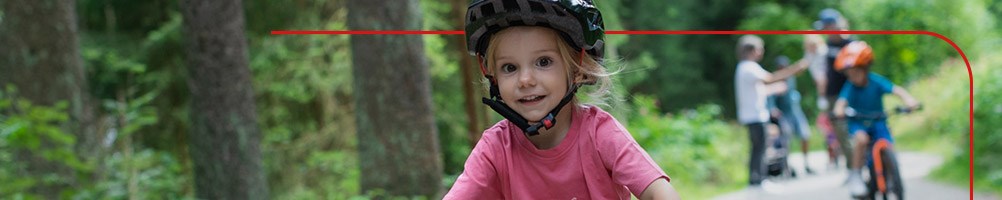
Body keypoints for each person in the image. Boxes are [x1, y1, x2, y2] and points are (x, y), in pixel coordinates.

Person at [445, 0, 680, 199]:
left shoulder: (600, 134)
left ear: (577, 68)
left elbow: (658, 192)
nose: (525, 80)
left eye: (543, 62)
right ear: (492, 76)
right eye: (509, 67)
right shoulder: (495, 148)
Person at [832, 41, 920, 197]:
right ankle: (856, 175)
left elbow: (896, 90)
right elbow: (841, 102)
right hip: (858, 123)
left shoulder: (876, 81)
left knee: (888, 142)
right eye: (849, 73)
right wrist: (839, 110)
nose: (852, 76)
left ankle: (892, 173)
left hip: (878, 121)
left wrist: (909, 101)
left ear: (865, 69)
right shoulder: (850, 87)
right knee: (861, 140)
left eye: (855, 72)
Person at [733, 35, 812, 189]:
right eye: (759, 49)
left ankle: (755, 179)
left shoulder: (744, 67)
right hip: (755, 115)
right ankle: (759, 180)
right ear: (752, 50)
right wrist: (794, 69)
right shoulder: (749, 67)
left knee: (758, 147)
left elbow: (759, 90)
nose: (761, 52)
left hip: (751, 115)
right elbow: (770, 78)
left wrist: (774, 89)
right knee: (760, 147)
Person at [813, 8, 856, 171]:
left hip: (849, 94)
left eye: (826, 27)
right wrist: (822, 95)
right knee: (840, 133)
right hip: (832, 95)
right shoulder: (829, 44)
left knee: (852, 130)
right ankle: (853, 169)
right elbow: (826, 72)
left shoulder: (851, 44)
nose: (824, 32)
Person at [770, 55, 815, 175]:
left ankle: (806, 164)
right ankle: (787, 167)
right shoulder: (775, 79)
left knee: (805, 135)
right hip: (784, 113)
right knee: (786, 140)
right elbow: (771, 98)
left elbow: (799, 70)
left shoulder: (790, 77)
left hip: (796, 110)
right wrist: (773, 108)